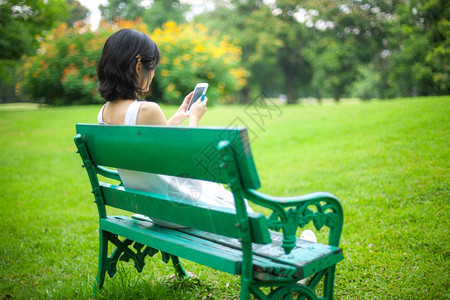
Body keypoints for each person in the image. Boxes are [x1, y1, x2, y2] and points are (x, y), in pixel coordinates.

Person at [96, 28, 253, 228]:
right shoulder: (146, 109)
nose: (152, 74)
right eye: (151, 68)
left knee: (228, 202)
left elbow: (149, 145)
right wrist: (194, 119)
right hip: (180, 209)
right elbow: (188, 163)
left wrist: (177, 117)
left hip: (153, 209)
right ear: (138, 67)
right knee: (243, 211)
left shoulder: (103, 113)